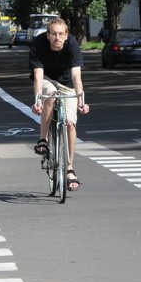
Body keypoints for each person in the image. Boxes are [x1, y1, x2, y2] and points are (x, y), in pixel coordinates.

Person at [29, 18, 90, 191]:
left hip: (67, 84)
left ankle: (70, 167)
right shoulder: (39, 44)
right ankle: (43, 140)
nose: (57, 37)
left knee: (70, 123)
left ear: (66, 35)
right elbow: (38, 76)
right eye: (53, 34)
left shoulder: (72, 45)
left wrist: (81, 101)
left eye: (61, 34)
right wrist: (37, 101)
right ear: (47, 35)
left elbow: (77, 76)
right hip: (47, 80)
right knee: (50, 96)